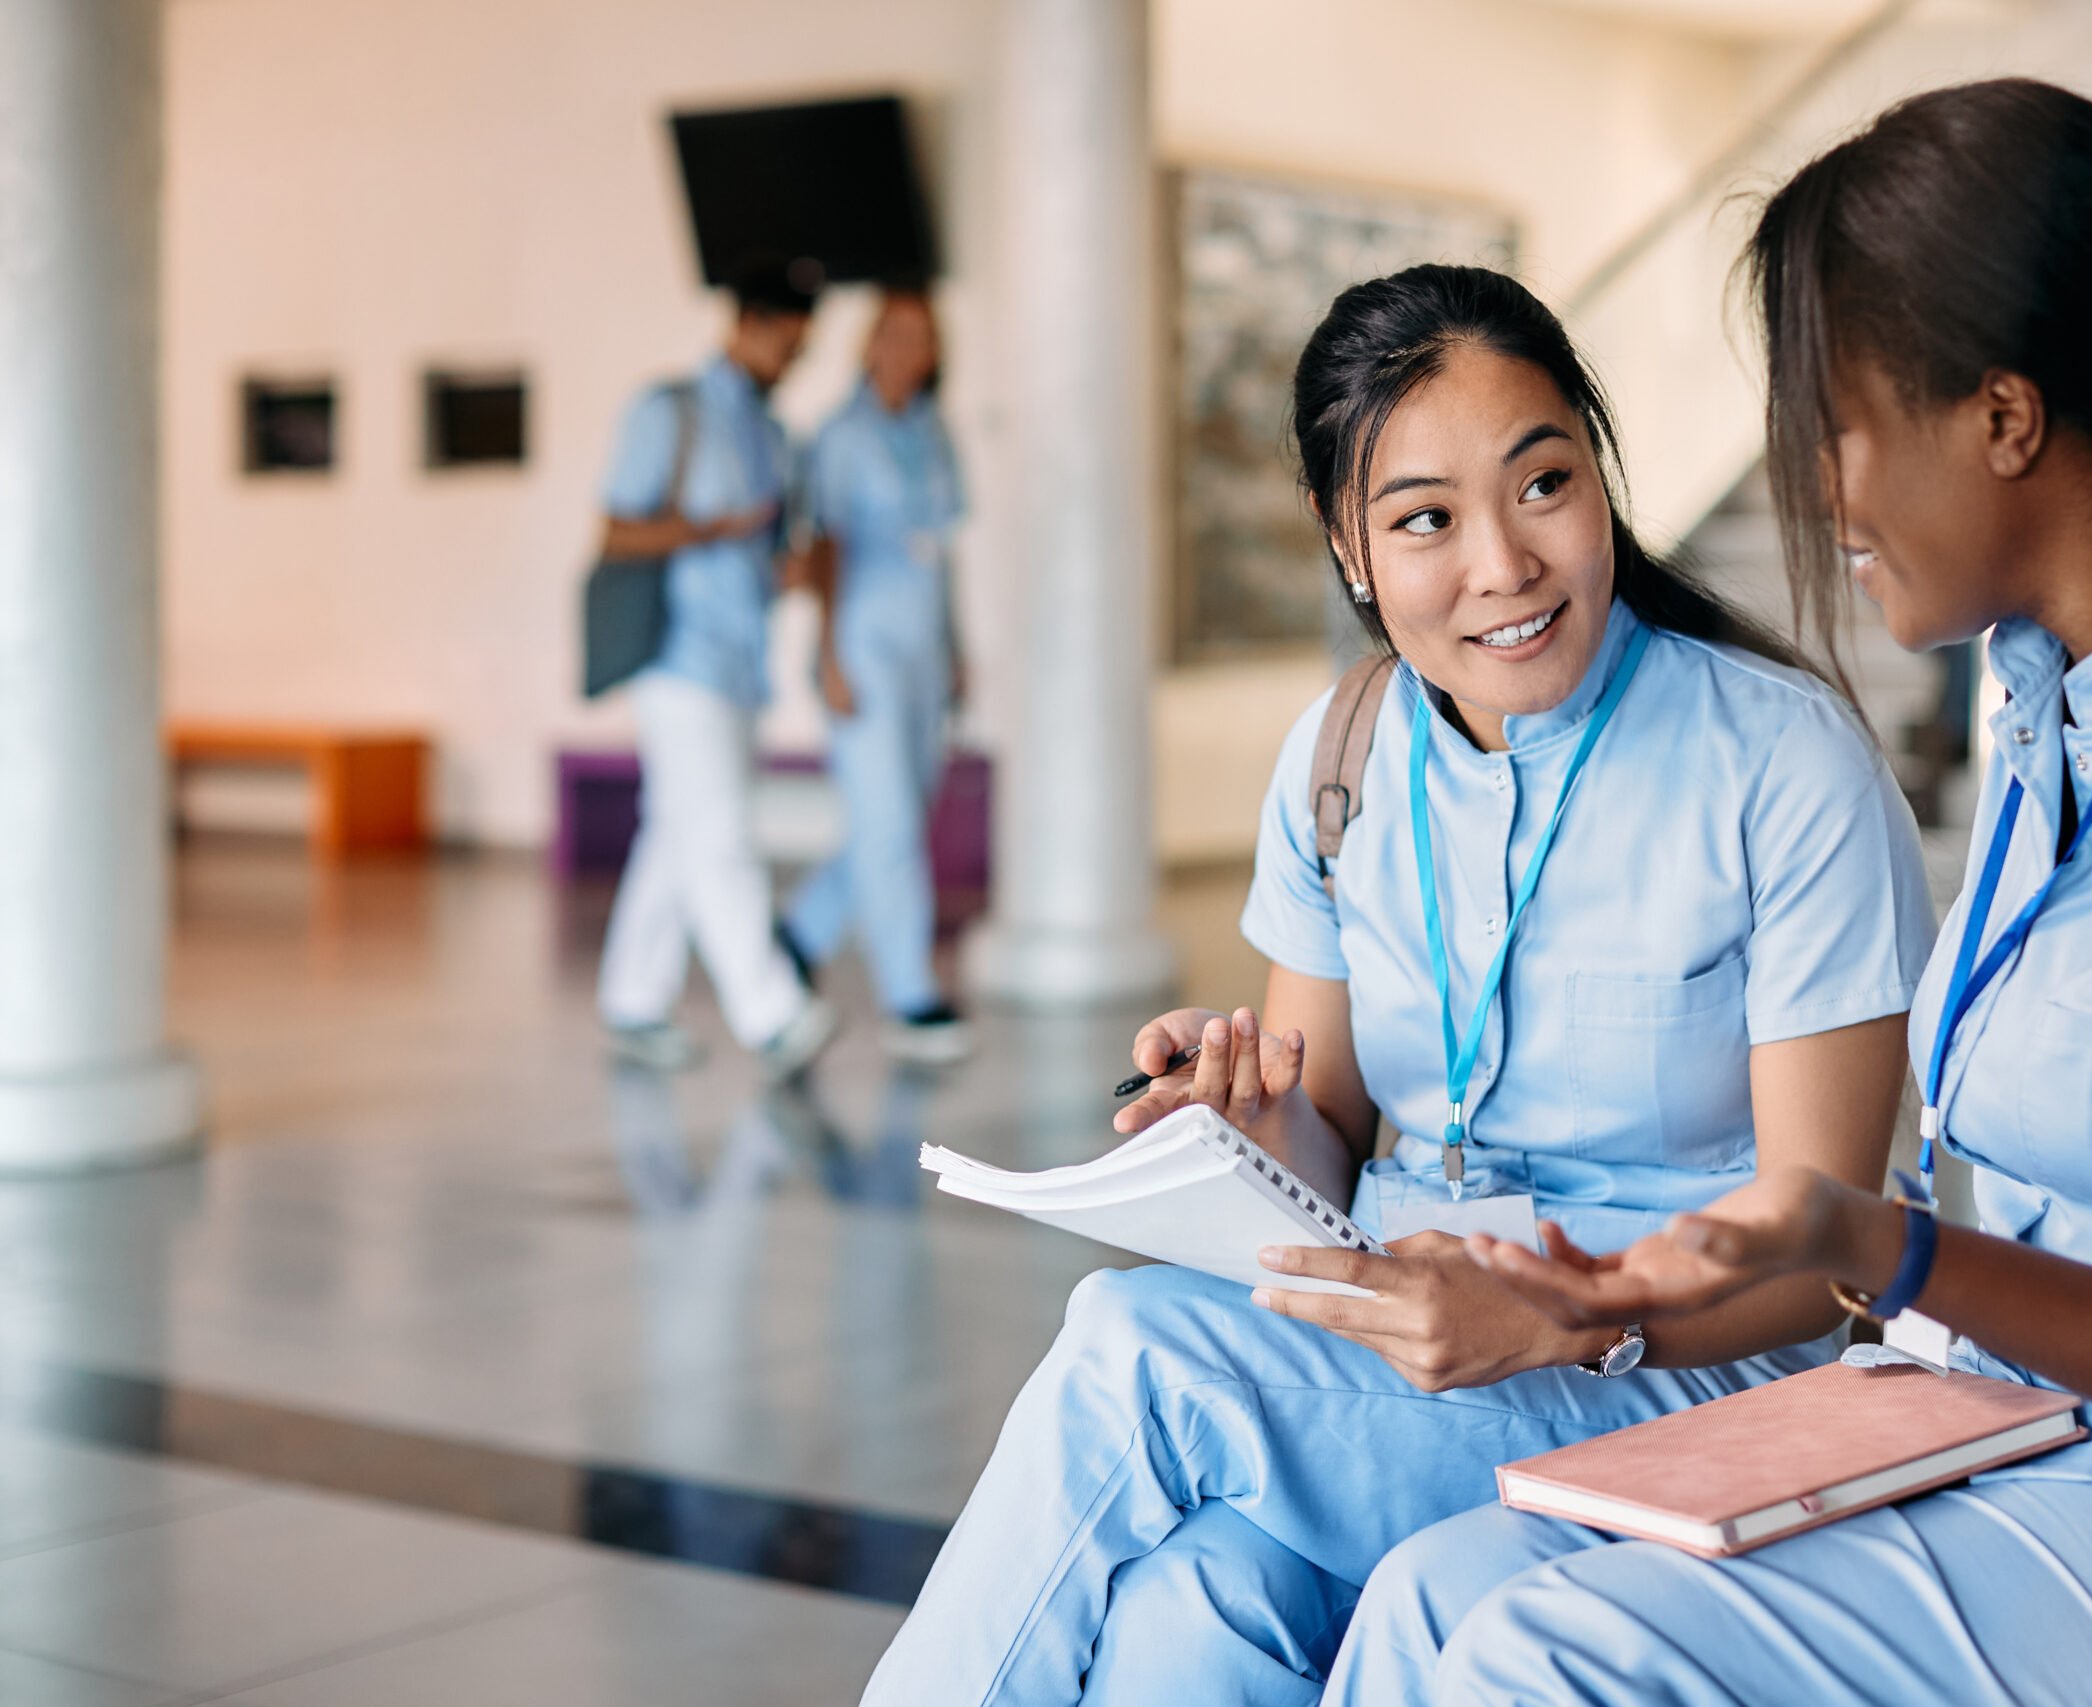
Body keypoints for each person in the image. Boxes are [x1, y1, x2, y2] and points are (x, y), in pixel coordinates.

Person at [1329, 79, 2092, 1707]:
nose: (1814, 492)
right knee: (1439, 1593)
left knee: (1552, 1657)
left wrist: (1888, 1250)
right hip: (2036, 1425)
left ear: (2002, 417)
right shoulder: (2049, 695)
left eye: (1829, 423)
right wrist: (1606, 1307)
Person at [859, 263, 1936, 1706]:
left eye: (1543, 483)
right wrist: (1246, 1123)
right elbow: (1331, 1135)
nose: (1503, 562)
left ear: (1599, 475)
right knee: (1192, 1612)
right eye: (1426, 518)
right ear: (1350, 548)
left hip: (1674, 1365)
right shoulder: (1340, 756)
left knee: (1137, 1354)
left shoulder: (1782, 766)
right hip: (1389, 1356)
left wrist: (1572, 1315)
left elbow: (1827, 1262)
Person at [595, 257, 840, 1079]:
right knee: (721, 832)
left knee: (678, 830)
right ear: (746, 324)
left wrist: (793, 569)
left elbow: (767, 558)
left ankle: (632, 999)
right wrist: (713, 529)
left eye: (805, 351)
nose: (792, 363)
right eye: (787, 345)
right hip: (674, 655)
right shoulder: (670, 412)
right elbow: (616, 532)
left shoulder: (775, 437)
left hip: (741, 665)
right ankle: (773, 1013)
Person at [780, 289, 972, 1063]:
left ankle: (795, 935)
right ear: (869, 345)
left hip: (924, 649)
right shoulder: (840, 436)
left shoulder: (935, 433)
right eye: (892, 334)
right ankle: (910, 994)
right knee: (888, 822)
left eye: (919, 336)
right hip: (859, 647)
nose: (905, 348)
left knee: (899, 815)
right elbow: (823, 546)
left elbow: (943, 549)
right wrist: (827, 655)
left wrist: (957, 647)